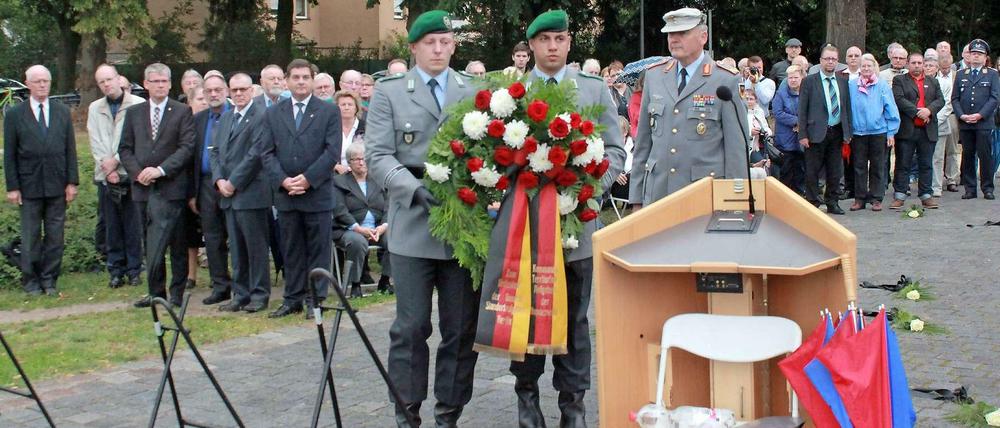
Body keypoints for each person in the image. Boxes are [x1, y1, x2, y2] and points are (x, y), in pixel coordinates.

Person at [505, 10, 625, 428]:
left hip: (578, 227)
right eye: (544, 40)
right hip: (524, 231)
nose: (552, 46)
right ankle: (527, 399)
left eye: (559, 39)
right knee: (527, 315)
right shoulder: (512, 92)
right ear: (532, 46)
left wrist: (590, 189)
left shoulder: (591, 88)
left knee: (574, 320)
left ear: (570, 42)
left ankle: (573, 406)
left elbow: (615, 150)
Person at [365, 10, 481, 427]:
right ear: (413, 48)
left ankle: (448, 412)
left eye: (445, 42)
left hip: (462, 227)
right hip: (413, 222)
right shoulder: (390, 92)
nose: (438, 49)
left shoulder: (475, 89)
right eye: (429, 42)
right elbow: (377, 155)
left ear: (453, 46)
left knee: (460, 330)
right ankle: (406, 411)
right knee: (411, 328)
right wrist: (412, 189)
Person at [630, 8, 749, 206]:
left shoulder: (725, 79)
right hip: (658, 194)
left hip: (702, 197)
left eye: (682, 33)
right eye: (670, 33)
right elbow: (643, 143)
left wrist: (734, 203)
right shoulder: (654, 76)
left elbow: (736, 150)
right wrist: (635, 199)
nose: (674, 39)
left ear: (703, 36)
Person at [258, 58, 341, 318]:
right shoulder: (273, 113)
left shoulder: (329, 111)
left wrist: (307, 179)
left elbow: (331, 152)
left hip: (316, 193)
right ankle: (292, 297)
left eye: (306, 77)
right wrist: (283, 180)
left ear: (313, 80)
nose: (301, 82)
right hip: (286, 194)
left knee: (318, 248)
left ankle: (315, 299)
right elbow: (266, 152)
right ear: (287, 81)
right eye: (296, 77)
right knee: (291, 248)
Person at [120, 63, 197, 308]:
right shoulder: (134, 113)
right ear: (146, 84)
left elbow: (186, 148)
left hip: (172, 187)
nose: (160, 85)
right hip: (143, 189)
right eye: (155, 81)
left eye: (164, 81)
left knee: (177, 243)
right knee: (150, 242)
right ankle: (156, 292)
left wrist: (161, 170)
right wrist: (138, 172)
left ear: (170, 84)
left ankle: (176, 293)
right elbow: (125, 148)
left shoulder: (182, 111)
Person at [3, 65, 78, 296]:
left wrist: (71, 182)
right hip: (29, 185)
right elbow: (10, 153)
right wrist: (13, 187)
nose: (42, 85)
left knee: (55, 236)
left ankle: (49, 280)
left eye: (46, 81)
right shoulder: (15, 114)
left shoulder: (61, 111)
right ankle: (31, 281)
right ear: (27, 83)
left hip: (57, 183)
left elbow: (70, 149)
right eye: (37, 81)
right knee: (31, 236)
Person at [210, 72, 272, 313]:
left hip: (251, 192)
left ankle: (259, 294)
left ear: (252, 90)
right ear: (228, 91)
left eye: (243, 90)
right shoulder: (226, 118)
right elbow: (214, 151)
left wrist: (233, 182)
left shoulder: (261, 116)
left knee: (255, 248)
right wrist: (219, 180)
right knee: (236, 248)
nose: (238, 94)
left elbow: (256, 154)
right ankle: (240, 293)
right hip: (228, 194)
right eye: (234, 90)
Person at [88, 64, 144, 288]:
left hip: (129, 173)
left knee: (132, 226)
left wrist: (118, 161)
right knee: (111, 225)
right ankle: (115, 269)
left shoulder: (138, 105)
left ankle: (134, 269)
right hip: (105, 176)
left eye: (109, 79)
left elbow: (136, 140)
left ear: (118, 78)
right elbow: (95, 141)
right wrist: (107, 168)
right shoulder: (95, 108)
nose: (106, 85)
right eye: (101, 82)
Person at [192, 75, 233, 305]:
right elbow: (193, 157)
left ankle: (241, 282)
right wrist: (193, 193)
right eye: (209, 91)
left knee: (236, 238)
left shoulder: (234, 116)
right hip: (206, 185)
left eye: (218, 89)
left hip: (231, 184)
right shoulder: (198, 120)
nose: (214, 94)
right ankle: (220, 285)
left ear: (226, 91)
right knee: (213, 237)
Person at [799, 44, 853, 214]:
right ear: (821, 60)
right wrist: (803, 134)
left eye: (834, 59)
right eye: (827, 58)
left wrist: (848, 132)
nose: (830, 62)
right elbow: (802, 109)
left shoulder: (843, 82)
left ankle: (832, 201)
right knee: (812, 170)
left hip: (837, 131)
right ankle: (813, 201)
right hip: (815, 132)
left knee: (835, 170)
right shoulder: (809, 81)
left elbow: (847, 109)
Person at [332, 141, 391, 298]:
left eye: (364, 158)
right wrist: (358, 228)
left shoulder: (379, 180)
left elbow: (389, 206)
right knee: (357, 242)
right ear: (349, 162)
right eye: (356, 159)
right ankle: (356, 284)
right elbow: (339, 210)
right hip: (349, 229)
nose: (361, 162)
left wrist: (384, 226)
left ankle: (385, 281)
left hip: (377, 229)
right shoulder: (339, 182)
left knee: (394, 238)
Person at [892, 53, 944, 209]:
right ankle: (899, 195)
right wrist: (917, 112)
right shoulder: (899, 80)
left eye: (919, 62)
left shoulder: (933, 82)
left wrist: (929, 110)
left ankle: (926, 195)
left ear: (923, 64)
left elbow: (940, 100)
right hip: (907, 129)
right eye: (913, 62)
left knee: (926, 163)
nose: (916, 65)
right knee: (903, 163)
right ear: (908, 64)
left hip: (927, 129)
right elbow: (899, 99)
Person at [848, 56, 900, 211]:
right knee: (859, 166)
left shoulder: (882, 85)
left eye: (869, 66)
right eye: (863, 66)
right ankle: (860, 198)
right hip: (858, 133)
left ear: (874, 67)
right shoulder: (851, 85)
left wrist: (891, 132)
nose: (866, 69)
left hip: (879, 132)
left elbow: (890, 108)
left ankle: (877, 198)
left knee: (878, 166)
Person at [953, 39, 1000, 199]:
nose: (976, 57)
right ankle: (970, 188)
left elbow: (994, 98)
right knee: (967, 155)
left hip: (984, 122)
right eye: (973, 54)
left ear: (985, 57)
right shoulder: (960, 74)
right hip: (965, 122)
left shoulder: (992, 74)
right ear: (968, 56)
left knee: (985, 155)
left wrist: (980, 115)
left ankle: (987, 188)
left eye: (979, 54)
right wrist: (961, 115)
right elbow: (955, 99)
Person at [773, 64, 806, 194]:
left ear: (802, 78)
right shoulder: (780, 94)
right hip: (785, 139)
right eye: (790, 77)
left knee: (801, 170)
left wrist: (802, 124)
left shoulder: (806, 93)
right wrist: (797, 122)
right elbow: (778, 113)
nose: (792, 80)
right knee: (786, 170)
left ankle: (800, 195)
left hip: (802, 139)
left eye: (795, 77)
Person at [933, 53, 961, 194]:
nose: (945, 70)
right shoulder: (933, 77)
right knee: (937, 152)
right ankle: (935, 182)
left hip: (951, 115)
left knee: (952, 149)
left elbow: (955, 99)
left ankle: (952, 179)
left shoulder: (957, 76)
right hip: (934, 116)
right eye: (942, 68)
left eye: (947, 67)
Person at [334, 90, 365, 174]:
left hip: (362, 174)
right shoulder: (330, 129)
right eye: (343, 105)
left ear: (356, 107)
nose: (346, 107)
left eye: (350, 104)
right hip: (336, 175)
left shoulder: (367, 128)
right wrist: (336, 167)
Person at [745, 91, 773, 178]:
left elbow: (766, 127)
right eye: (746, 99)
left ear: (756, 101)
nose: (749, 101)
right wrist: (750, 132)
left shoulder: (759, 112)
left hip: (757, 146)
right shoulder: (740, 112)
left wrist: (766, 132)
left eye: (751, 99)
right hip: (745, 146)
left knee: (764, 166)